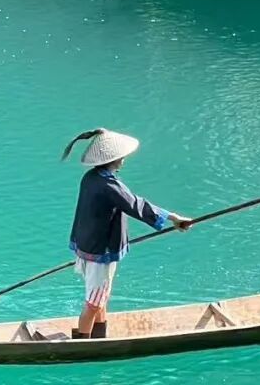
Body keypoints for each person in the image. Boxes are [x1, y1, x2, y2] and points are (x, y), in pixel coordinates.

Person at [62, 128, 191, 339]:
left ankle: (99, 336)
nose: (124, 160)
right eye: (122, 157)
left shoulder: (91, 177)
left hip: (87, 244)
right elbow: (136, 205)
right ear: (114, 159)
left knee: (100, 296)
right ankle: (83, 343)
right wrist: (173, 217)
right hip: (100, 251)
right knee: (93, 302)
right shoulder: (108, 185)